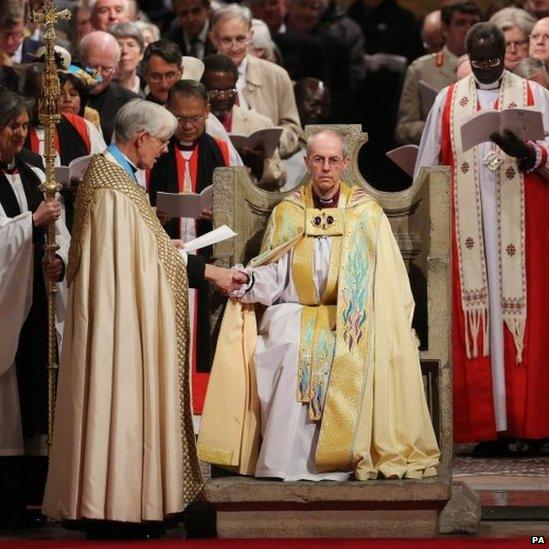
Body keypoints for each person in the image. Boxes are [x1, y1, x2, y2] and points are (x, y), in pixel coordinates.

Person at [42, 99, 245, 535]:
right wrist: (210, 272)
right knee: (122, 397)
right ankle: (115, 509)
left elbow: (136, 251)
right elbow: (145, 258)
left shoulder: (113, 177)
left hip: (120, 314)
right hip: (119, 325)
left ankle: (122, 500)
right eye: (162, 142)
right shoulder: (114, 186)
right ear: (140, 139)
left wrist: (159, 244)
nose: (165, 151)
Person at [198, 129, 440, 480]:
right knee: (289, 346)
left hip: (352, 315)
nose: (325, 168)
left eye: (332, 161)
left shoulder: (365, 213)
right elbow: (274, 272)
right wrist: (248, 281)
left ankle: (343, 455)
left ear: (344, 164)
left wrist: (370, 315)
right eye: (318, 160)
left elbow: (388, 279)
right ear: (307, 162)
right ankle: (285, 462)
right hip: (295, 311)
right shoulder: (289, 212)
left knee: (353, 347)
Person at [415, 22, 549, 449]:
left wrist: (528, 153)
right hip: (467, 229)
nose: (487, 69)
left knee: (522, 317)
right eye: (479, 62)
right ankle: (484, 428)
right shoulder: (448, 100)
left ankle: (526, 426)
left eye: (494, 61)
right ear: (468, 57)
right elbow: (428, 167)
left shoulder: (534, 95)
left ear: (505, 56)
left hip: (522, 229)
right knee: (476, 318)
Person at [0, 91, 69, 523]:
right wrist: (31, 223)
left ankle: (32, 496)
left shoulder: (31, 173)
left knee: (35, 405)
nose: (19, 134)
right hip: (7, 307)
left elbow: (59, 229)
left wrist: (58, 259)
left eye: (24, 126)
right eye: (11, 126)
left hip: (35, 307)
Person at [147, 80, 233, 417]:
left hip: (206, 254)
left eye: (195, 118)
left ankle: (201, 405)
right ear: (168, 112)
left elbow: (240, 198)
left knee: (203, 339)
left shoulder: (221, 150)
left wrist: (221, 209)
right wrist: (154, 212)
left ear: (207, 113)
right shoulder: (155, 150)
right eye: (180, 118)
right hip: (165, 256)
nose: (187, 125)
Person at [209, 5, 301, 159]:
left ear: (250, 36)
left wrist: (269, 146)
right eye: (226, 40)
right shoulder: (197, 74)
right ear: (213, 39)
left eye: (240, 39)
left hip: (266, 171)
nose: (234, 47)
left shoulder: (277, 75)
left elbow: (294, 131)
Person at [395, 1, 481, 145]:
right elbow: (404, 128)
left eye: (474, 24)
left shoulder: (490, 67)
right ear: (445, 29)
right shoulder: (421, 69)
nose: (468, 29)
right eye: (461, 23)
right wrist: (441, 127)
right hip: (438, 157)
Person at [202, 53, 285, 189]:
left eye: (230, 90)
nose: (223, 97)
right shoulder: (192, 125)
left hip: (247, 202)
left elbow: (280, 177)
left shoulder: (259, 123)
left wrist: (260, 165)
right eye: (215, 91)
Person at [80, 31, 140, 142]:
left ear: (115, 67)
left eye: (106, 69)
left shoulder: (131, 103)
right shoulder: (65, 96)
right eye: (92, 67)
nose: (97, 75)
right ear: (81, 61)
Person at [280, 77, 331, 192]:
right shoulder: (279, 139)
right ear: (294, 101)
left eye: (325, 107)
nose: (319, 112)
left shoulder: (330, 145)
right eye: (313, 104)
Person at [110, 22, 146, 96]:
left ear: (141, 54)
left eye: (131, 45)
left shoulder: (149, 91)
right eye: (119, 45)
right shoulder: (100, 90)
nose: (124, 51)